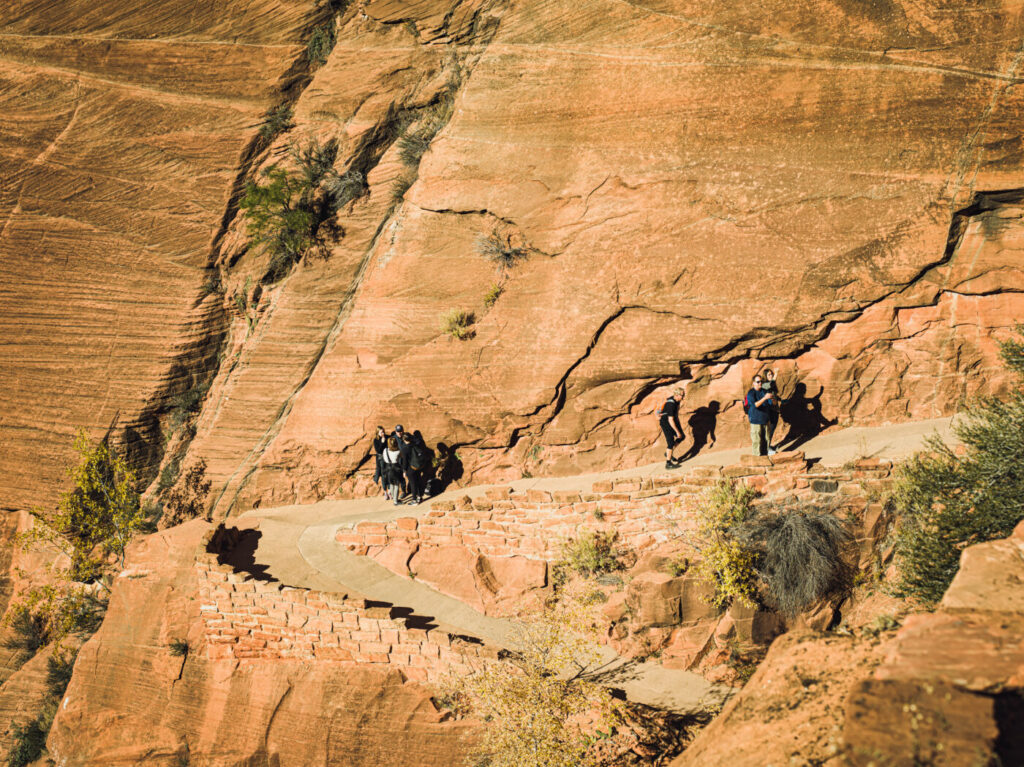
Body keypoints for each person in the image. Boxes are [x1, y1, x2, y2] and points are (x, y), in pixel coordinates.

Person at [745, 373, 774, 456]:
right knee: (757, 441)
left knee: (766, 440)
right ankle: (757, 459)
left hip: (765, 420)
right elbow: (755, 405)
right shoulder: (751, 393)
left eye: (761, 381)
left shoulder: (764, 391)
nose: (760, 383)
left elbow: (771, 404)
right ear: (753, 383)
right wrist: (765, 398)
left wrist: (773, 398)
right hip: (755, 420)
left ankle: (765, 458)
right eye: (758, 382)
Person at [658, 388, 685, 468]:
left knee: (682, 437)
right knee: (670, 442)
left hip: (672, 421)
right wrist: (677, 431)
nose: (683, 397)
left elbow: (674, 416)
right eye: (682, 395)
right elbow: (670, 420)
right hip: (666, 423)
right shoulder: (671, 404)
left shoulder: (676, 401)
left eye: (683, 395)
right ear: (676, 395)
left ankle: (668, 453)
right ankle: (668, 463)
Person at [402, 432, 429, 504]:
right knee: (419, 481)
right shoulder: (416, 445)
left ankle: (414, 500)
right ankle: (420, 497)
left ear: (404, 440)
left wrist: (404, 470)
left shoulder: (405, 449)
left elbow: (405, 461)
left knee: (413, 484)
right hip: (418, 466)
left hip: (411, 468)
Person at [381, 436, 406, 506]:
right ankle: (396, 501)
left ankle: (394, 499)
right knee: (397, 485)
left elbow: (384, 458)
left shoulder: (385, 450)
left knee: (391, 484)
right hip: (396, 468)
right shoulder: (398, 451)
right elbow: (402, 457)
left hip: (387, 468)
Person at [763, 369, 781, 455]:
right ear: (765, 376)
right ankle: (766, 448)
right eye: (769, 375)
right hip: (769, 410)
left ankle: (768, 446)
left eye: (772, 374)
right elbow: (772, 383)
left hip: (774, 409)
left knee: (772, 428)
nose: (771, 376)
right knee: (769, 429)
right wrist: (776, 374)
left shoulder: (771, 385)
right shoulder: (764, 384)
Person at [371, 425, 390, 499]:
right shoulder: (376, 440)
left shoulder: (387, 437)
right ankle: (385, 492)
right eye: (381, 432)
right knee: (383, 475)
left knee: (389, 474)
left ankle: (390, 491)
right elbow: (378, 450)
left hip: (387, 458)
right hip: (380, 459)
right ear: (378, 432)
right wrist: (382, 442)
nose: (383, 433)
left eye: (383, 431)